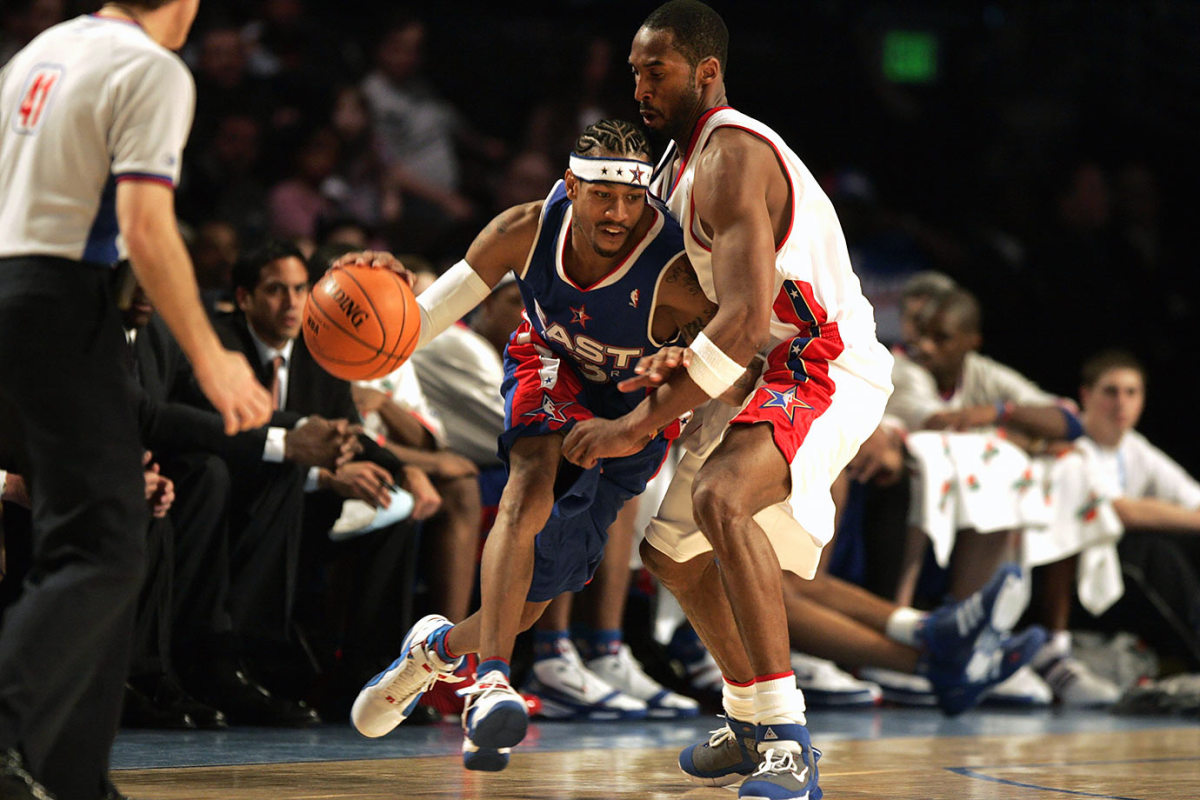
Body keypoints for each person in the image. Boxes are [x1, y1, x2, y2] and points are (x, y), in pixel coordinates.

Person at [561, 4, 1040, 797]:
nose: (640, 86)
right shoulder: (670, 172)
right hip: (762, 369)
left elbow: (747, 317)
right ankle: (750, 719)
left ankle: (788, 739)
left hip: (823, 361)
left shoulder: (731, 155)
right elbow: (698, 311)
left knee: (722, 499)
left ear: (706, 71)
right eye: (635, 71)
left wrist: (644, 417)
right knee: (670, 552)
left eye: (658, 70)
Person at [348, 118, 725, 770]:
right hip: (551, 368)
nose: (617, 214)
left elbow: (725, 363)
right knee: (530, 483)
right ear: (570, 185)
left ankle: (434, 653)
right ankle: (491, 682)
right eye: (602, 195)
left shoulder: (676, 275)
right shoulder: (522, 230)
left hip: (636, 411)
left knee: (523, 605)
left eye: (632, 199)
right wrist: (382, 299)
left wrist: (640, 427)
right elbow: (421, 321)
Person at [0, 2, 272, 799]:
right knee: (105, 546)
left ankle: (72, 775)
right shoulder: (151, 67)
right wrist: (212, 358)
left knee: (89, 536)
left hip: (10, 290)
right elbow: (145, 224)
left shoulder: (41, 51)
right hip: (56, 295)